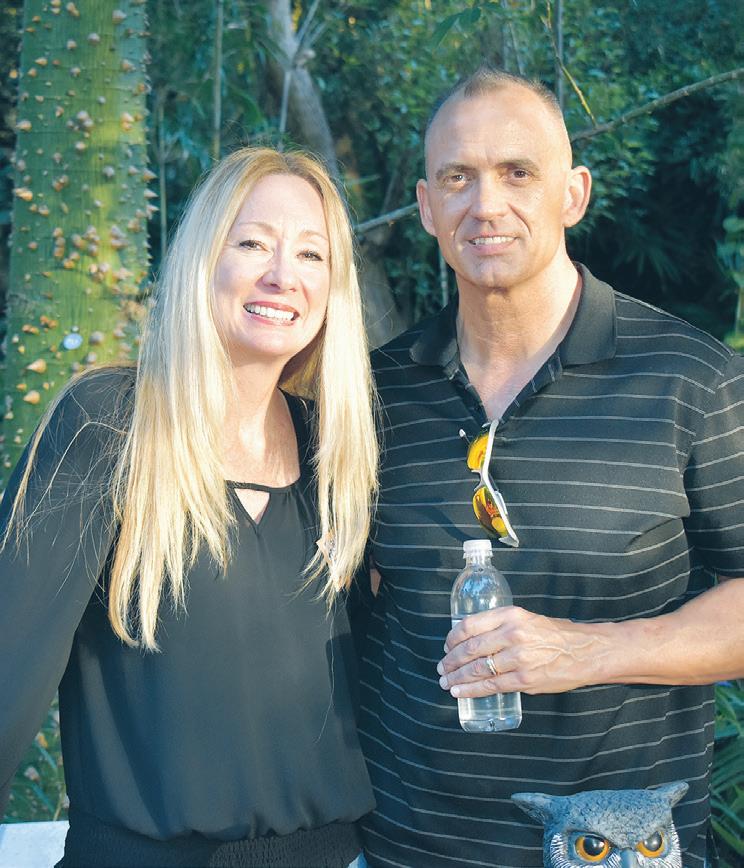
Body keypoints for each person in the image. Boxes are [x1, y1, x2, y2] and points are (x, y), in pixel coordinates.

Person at [355, 66, 744, 868]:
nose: (485, 204)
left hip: (624, 845)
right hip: (410, 848)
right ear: (426, 206)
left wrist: (586, 651)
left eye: (517, 172)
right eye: (457, 177)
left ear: (573, 193)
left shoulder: (689, 378)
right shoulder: (375, 393)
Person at [0, 147, 378, 867]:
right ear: (203, 258)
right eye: (252, 243)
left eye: (311, 254)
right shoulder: (109, 424)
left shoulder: (334, 451)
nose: (283, 274)